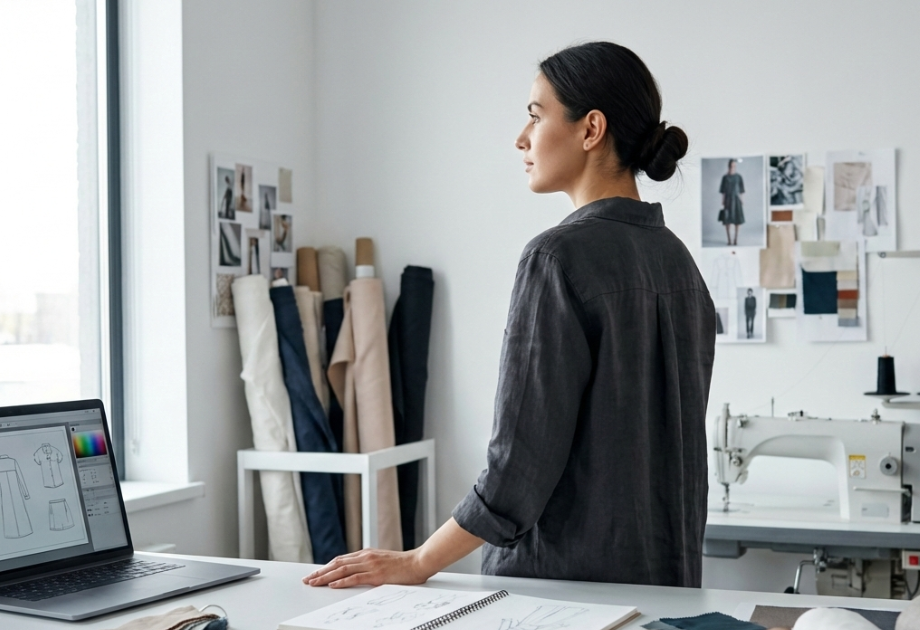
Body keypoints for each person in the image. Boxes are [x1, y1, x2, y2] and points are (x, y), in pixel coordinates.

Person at [304, 41, 715, 589]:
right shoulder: (679, 262)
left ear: (591, 130)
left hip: (559, 591)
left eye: (536, 116)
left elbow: (518, 468)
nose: (521, 138)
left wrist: (417, 561)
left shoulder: (557, 257)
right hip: (666, 587)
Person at [718, 159, 744, 246]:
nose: (732, 167)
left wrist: (741, 199)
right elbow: (723, 191)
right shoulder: (725, 178)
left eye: (734, 166)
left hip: (736, 200)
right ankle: (729, 240)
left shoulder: (738, 177)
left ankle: (735, 240)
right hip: (728, 200)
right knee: (727, 220)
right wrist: (723, 200)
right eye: (731, 165)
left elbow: (741, 190)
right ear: (728, 166)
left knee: (737, 220)